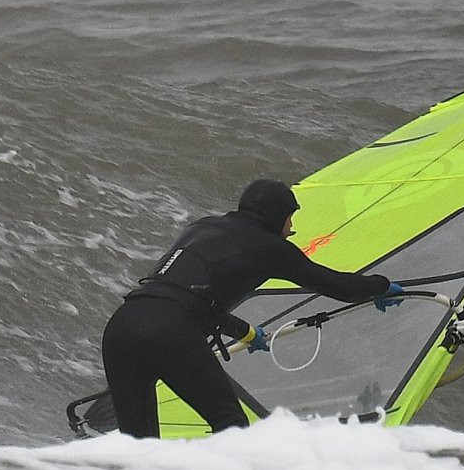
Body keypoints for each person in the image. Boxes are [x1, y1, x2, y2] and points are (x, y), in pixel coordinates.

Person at [101, 178, 400, 438]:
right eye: (291, 218)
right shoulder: (271, 247)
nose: (292, 227)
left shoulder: (202, 227)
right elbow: (339, 287)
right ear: (278, 216)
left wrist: (243, 331)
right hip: (171, 330)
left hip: (122, 326)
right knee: (230, 426)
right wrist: (381, 285)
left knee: (138, 445)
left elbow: (184, 295)